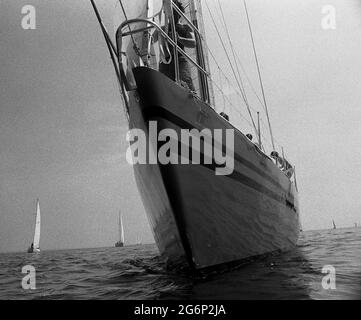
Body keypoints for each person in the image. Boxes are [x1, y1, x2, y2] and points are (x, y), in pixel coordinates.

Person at [158, 1, 196, 91]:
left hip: (180, 60)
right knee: (165, 88)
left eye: (174, 10)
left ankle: (192, 100)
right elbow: (152, 39)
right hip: (165, 61)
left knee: (185, 81)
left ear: (179, 12)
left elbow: (193, 43)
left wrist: (179, 39)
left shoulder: (187, 27)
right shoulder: (163, 28)